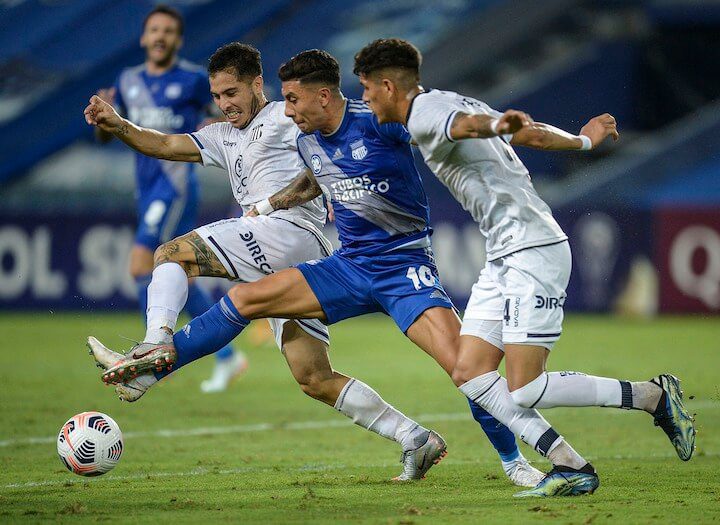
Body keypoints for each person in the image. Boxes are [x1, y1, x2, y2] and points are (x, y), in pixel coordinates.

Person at [86, 48, 545, 487]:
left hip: (290, 235)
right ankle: (416, 439)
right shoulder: (220, 136)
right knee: (313, 377)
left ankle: (153, 347)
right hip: (303, 255)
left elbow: (343, 133)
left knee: (170, 254)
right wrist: (119, 124)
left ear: (257, 86)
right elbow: (163, 143)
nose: (225, 104)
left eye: (233, 93)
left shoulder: (287, 117)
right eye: (218, 95)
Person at [351, 37, 697, 497]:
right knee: (470, 372)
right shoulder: (450, 100)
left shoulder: (426, 113)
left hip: (532, 250)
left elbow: (473, 126)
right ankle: (570, 466)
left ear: (389, 85)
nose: (365, 100)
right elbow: (526, 133)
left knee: (525, 388)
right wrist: (583, 139)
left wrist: (493, 122)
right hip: (504, 254)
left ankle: (653, 396)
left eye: (367, 90)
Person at [94, 5, 245, 392]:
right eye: (154, 30)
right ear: (144, 38)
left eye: (168, 31)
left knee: (140, 264)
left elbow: (226, 115)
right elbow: (113, 131)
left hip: (175, 185)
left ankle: (161, 345)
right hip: (145, 187)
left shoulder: (195, 80)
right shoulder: (128, 80)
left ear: (177, 40)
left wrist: (215, 129)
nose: (160, 37)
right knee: (175, 269)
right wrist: (101, 121)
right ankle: (226, 353)